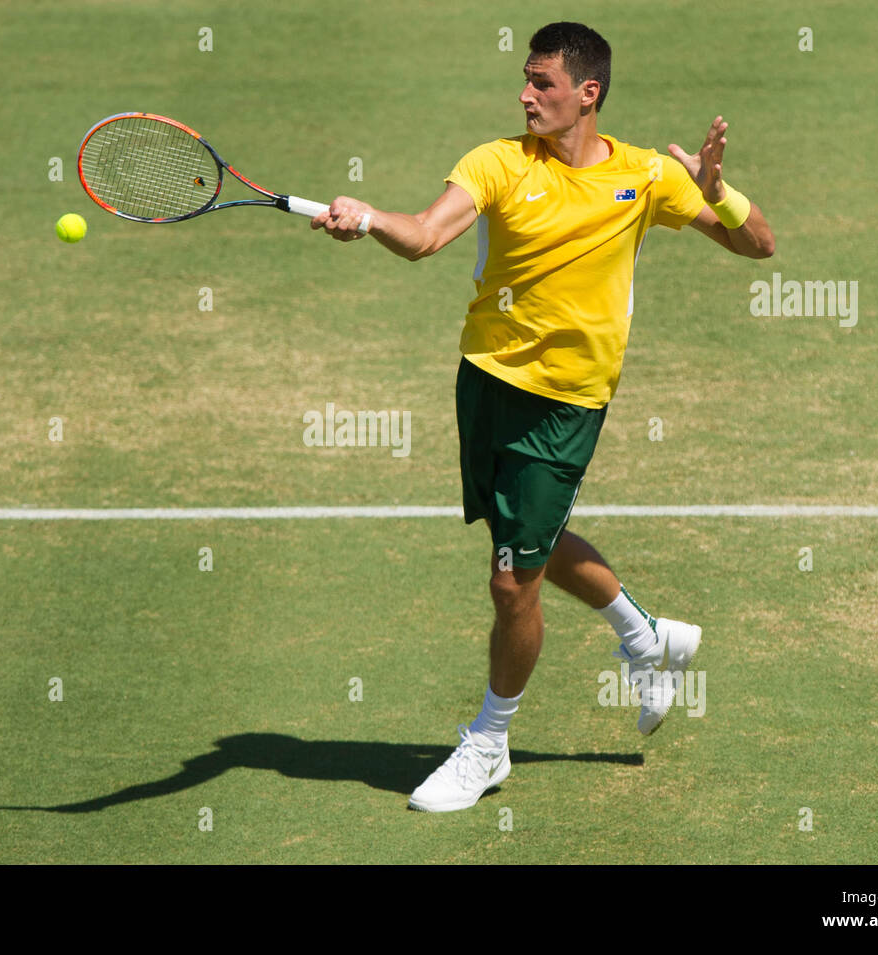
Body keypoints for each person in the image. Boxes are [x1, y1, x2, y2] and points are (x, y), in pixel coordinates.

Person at [312, 21, 775, 812]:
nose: (526, 94)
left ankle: (488, 743)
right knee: (522, 535)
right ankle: (645, 634)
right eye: (525, 80)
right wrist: (369, 218)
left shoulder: (645, 177)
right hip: (486, 381)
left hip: (568, 402)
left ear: (587, 93)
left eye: (544, 84)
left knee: (510, 582)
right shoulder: (495, 163)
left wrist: (714, 186)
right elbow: (424, 236)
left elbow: (758, 245)